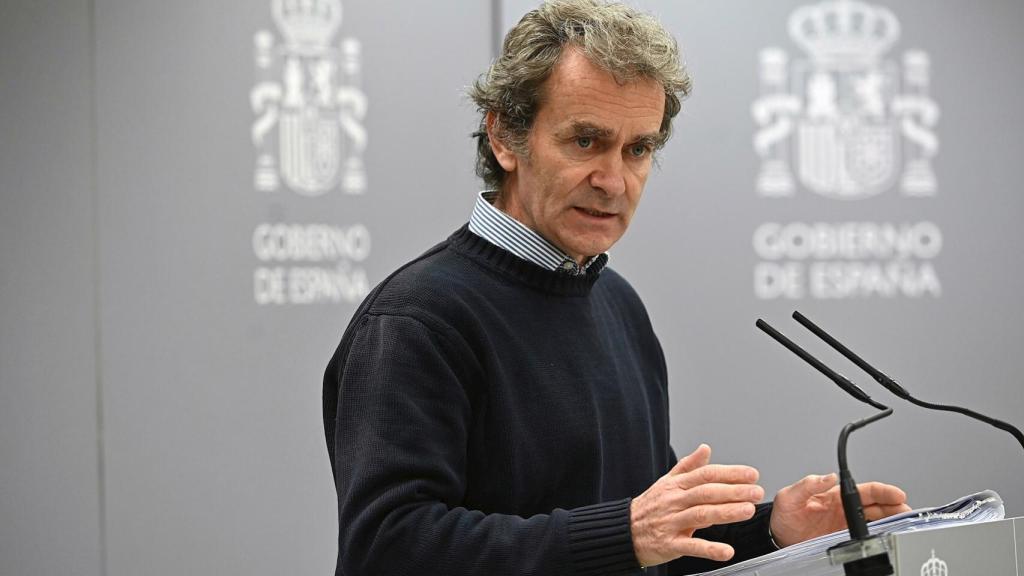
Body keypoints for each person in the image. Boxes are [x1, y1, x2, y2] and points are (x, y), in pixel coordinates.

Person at [322, 1, 910, 574]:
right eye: (585, 141)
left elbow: (651, 534)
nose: (613, 180)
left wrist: (773, 527)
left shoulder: (617, 304)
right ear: (504, 138)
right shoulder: (417, 318)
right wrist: (625, 534)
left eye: (638, 149)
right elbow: (389, 547)